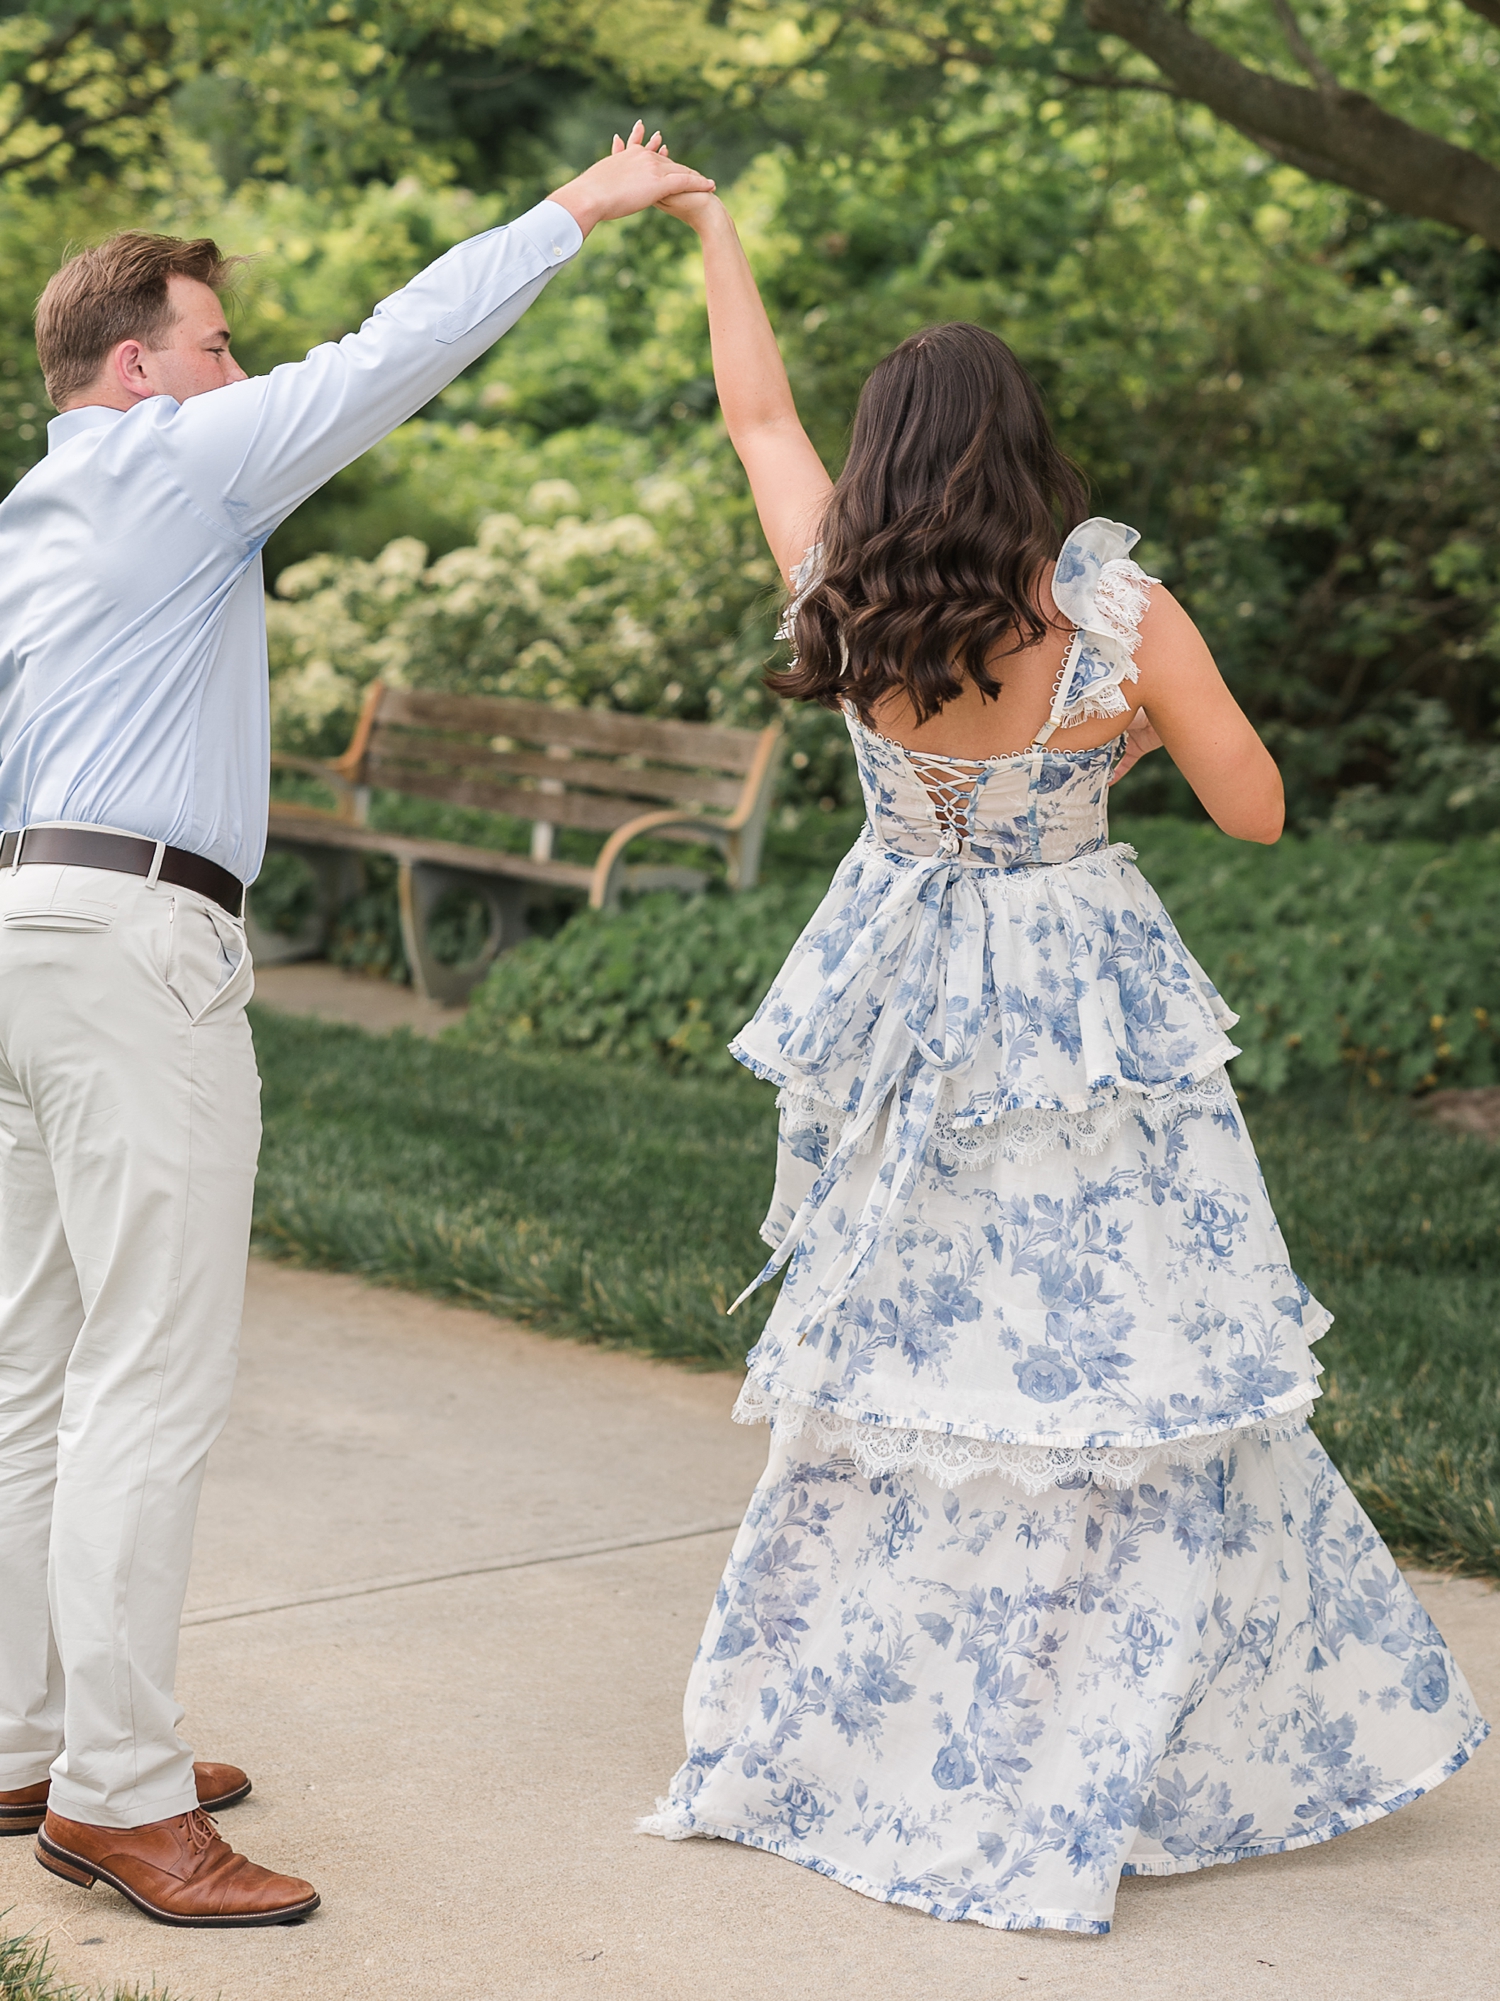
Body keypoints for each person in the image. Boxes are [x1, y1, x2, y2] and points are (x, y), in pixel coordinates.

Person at [639, 180, 1487, 1934]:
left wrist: (712, 226)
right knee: (1117, 1368)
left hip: (906, 1001)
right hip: (1080, 1000)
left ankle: (875, 1736)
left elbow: (754, 409)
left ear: (886, 461)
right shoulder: (1109, 615)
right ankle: (1101, 1735)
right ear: (1030, 453)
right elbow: (1257, 811)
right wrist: (1107, 752)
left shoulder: (839, 591)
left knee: (908, 1371)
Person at [0, 123, 713, 1929]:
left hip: (18, 935)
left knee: (24, 1372)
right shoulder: (179, 459)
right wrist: (576, 209)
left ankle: (27, 1734)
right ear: (140, 364)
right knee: (147, 1380)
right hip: (137, 940)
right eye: (219, 340)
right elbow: (394, 350)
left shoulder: (29, 519)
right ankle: (120, 1796)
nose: (245, 366)